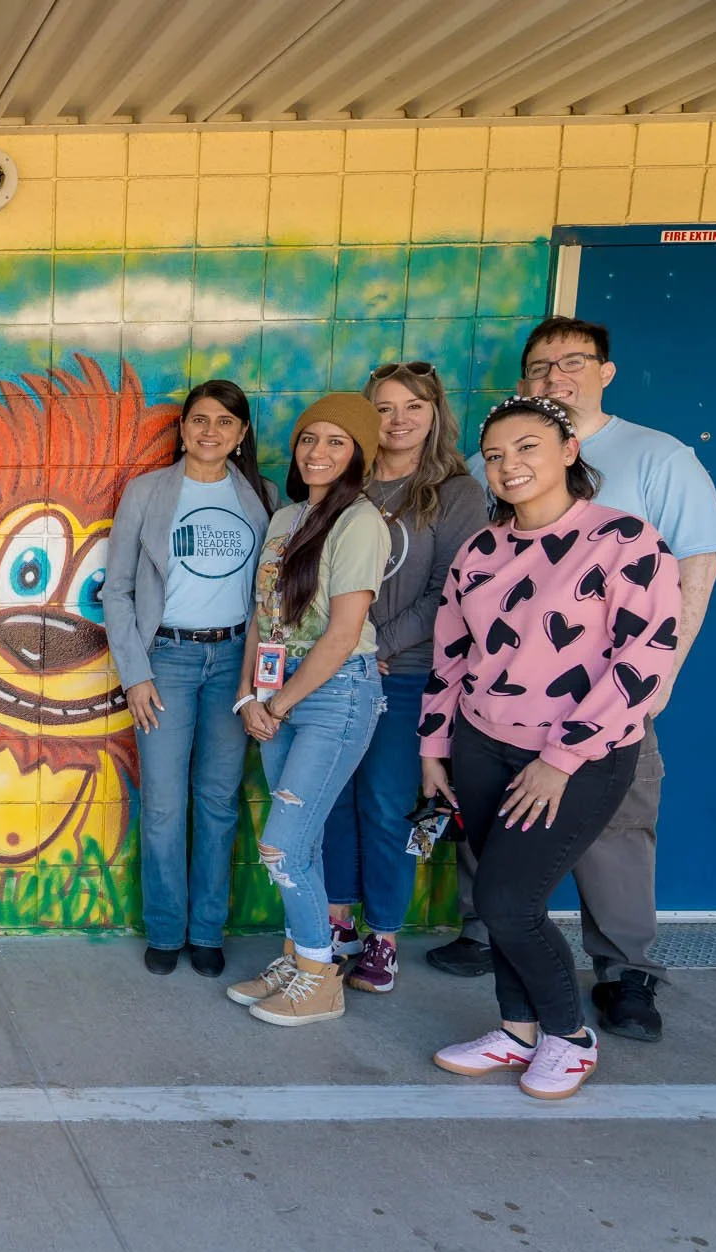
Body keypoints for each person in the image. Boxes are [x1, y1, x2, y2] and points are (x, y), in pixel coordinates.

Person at [444, 318, 716, 1041]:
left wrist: (654, 681)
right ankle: (504, 972)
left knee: (618, 830)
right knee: (503, 850)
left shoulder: (659, 457)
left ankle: (624, 971)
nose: (555, 376)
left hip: (608, 702)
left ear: (605, 370)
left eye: (573, 361)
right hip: (501, 712)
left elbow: (697, 566)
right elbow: (489, 588)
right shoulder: (496, 467)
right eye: (539, 367)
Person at [424, 396, 679, 1098]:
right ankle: (516, 1030)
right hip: (482, 744)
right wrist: (433, 749)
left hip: (579, 759)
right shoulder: (481, 548)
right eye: (498, 454)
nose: (511, 465)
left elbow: (643, 658)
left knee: (508, 899)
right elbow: (451, 656)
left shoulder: (625, 540)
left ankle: (568, 1034)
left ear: (568, 450)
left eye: (528, 447)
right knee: (505, 897)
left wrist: (560, 757)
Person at [320, 364, 487, 994]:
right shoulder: (346, 483)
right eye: (383, 408)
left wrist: (375, 646)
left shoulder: (455, 491)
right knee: (332, 800)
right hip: (335, 671)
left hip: (406, 674)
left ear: (435, 413)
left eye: (412, 407)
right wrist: (343, 653)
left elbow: (452, 591)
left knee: (387, 805)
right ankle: (339, 926)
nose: (398, 420)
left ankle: (382, 938)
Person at [226, 394, 388, 1027]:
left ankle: (321, 977)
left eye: (335, 442)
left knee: (281, 846)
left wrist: (284, 701)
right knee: (305, 841)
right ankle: (299, 958)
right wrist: (251, 697)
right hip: (277, 693)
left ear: (357, 455)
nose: (317, 452)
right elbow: (262, 618)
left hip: (335, 693)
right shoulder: (286, 517)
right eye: (308, 439)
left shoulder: (360, 522)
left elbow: (344, 633)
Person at [104, 379, 271, 979]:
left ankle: (207, 930)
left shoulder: (261, 497)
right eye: (199, 420)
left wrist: (260, 679)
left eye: (225, 422)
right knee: (165, 808)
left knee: (219, 803)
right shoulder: (148, 493)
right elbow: (118, 589)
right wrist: (136, 674)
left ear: (241, 433)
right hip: (167, 661)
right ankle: (166, 929)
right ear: (182, 429)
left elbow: (272, 596)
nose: (210, 432)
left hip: (234, 664)